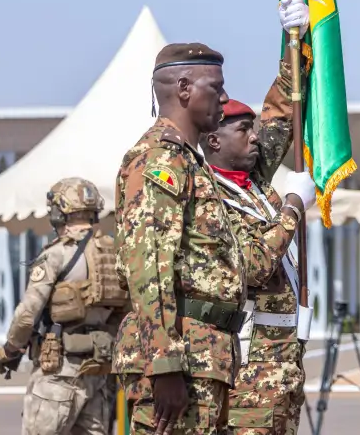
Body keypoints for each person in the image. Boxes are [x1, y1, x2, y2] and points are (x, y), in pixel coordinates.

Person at [113, 43, 244, 435]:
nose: (224, 98)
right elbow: (148, 264)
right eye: (216, 87)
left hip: (203, 356)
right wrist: (164, 363)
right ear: (185, 89)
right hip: (178, 360)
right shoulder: (160, 159)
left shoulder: (188, 161)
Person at [204, 0, 318, 435]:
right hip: (249, 372)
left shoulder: (251, 181)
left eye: (253, 130)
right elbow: (254, 265)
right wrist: (291, 207)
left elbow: (281, 113)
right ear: (214, 141)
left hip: (283, 364)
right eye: (243, 130)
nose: (255, 138)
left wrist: (296, 42)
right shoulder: (208, 195)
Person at [0, 177, 129, 435]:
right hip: (98, 375)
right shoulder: (113, 253)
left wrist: (10, 350)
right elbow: (126, 311)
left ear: (60, 211)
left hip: (58, 374)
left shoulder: (56, 254)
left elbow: (27, 315)